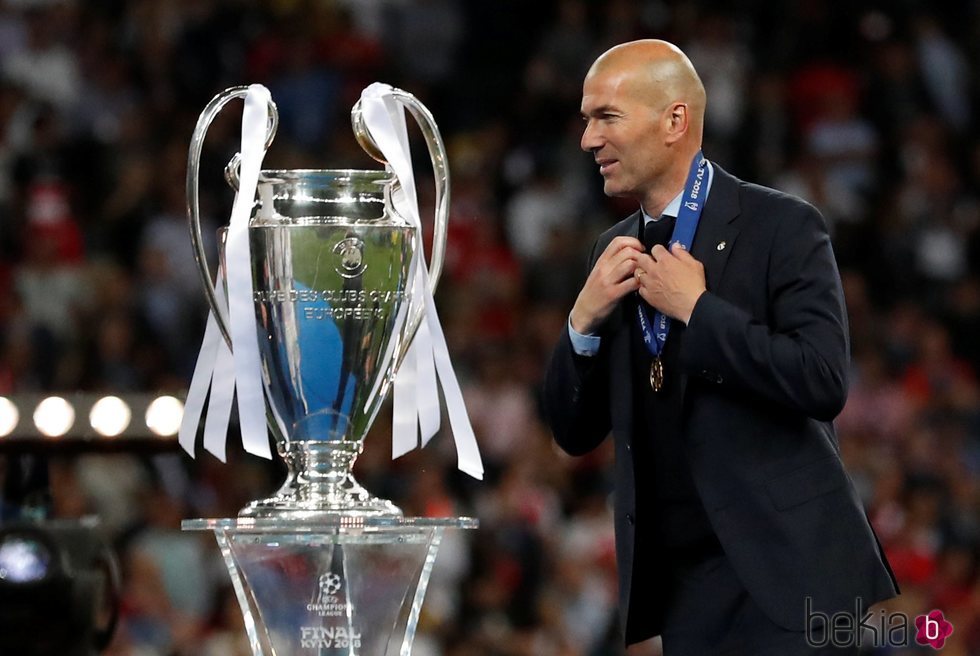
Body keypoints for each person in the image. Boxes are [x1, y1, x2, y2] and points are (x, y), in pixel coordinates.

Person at [542, 40, 898, 655]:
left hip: (790, 577)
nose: (588, 140)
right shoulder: (612, 249)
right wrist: (582, 320)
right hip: (684, 591)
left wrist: (699, 311)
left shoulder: (782, 226)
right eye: (585, 120)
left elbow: (821, 381)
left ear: (674, 120)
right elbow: (573, 432)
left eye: (606, 117)